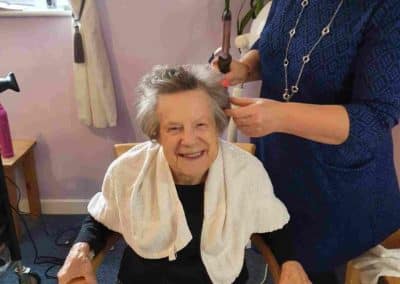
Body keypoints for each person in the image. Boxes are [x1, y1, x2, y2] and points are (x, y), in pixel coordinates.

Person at [57, 65, 308, 284]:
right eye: (174, 128)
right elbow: (102, 217)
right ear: (156, 134)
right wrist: (79, 250)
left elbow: (272, 224)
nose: (189, 140)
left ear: (217, 125)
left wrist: (290, 263)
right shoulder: (127, 170)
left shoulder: (246, 172)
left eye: (201, 125)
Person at [212, 1, 400, 283]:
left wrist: (281, 117)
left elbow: (375, 118)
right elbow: (272, 44)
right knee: (276, 251)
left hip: (339, 192)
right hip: (277, 165)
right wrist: (244, 68)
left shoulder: (387, 8)